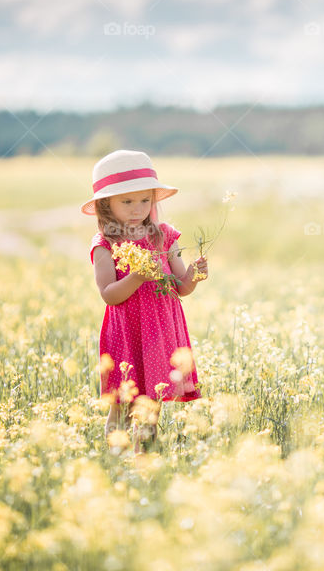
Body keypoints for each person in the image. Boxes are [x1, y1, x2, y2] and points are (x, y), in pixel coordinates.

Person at [82, 150, 209, 453]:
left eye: (145, 200)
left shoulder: (164, 237)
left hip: (160, 331)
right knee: (123, 403)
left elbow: (180, 287)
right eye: (126, 201)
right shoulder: (106, 244)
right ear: (106, 204)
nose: (137, 208)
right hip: (126, 333)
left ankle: (145, 458)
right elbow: (109, 294)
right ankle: (116, 455)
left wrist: (193, 275)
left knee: (153, 400)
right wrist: (137, 277)